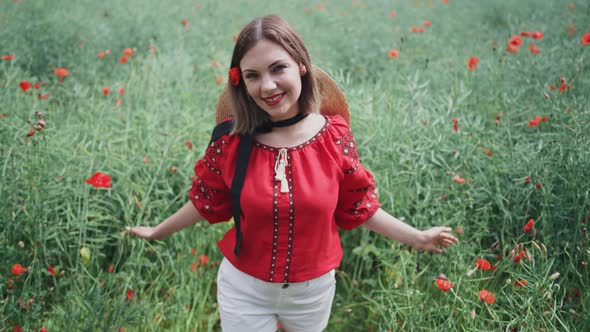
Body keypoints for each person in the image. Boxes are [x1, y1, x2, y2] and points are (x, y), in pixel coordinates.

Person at [127, 14, 459, 332]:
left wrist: (417, 237)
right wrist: (159, 231)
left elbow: (359, 207)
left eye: (278, 68)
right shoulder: (231, 141)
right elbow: (207, 201)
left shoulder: (334, 137)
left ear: (301, 65)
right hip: (244, 289)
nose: (267, 86)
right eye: (253, 75)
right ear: (240, 81)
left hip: (311, 294)